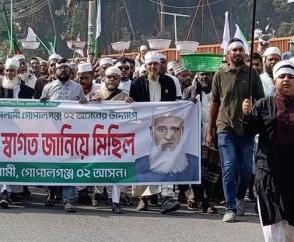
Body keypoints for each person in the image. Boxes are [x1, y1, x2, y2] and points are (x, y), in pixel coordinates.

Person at [242, 60, 294, 242]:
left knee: (290, 222)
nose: (286, 80)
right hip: (267, 167)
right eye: (282, 76)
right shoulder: (263, 105)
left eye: (290, 77)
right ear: (274, 81)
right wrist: (246, 115)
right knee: (271, 214)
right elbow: (248, 132)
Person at [207, 38, 265, 222]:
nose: (238, 53)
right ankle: (230, 207)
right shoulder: (220, 74)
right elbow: (215, 103)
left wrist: (253, 111)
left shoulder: (252, 73)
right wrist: (210, 129)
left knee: (246, 170)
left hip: (246, 128)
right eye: (234, 50)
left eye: (241, 50)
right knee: (229, 167)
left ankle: (239, 197)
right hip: (225, 127)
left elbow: (261, 100)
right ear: (228, 54)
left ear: (245, 53)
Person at [128, 52, 181, 214]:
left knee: (165, 160)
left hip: (164, 128)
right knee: (143, 162)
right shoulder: (137, 83)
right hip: (143, 128)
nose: (153, 67)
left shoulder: (169, 82)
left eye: (155, 64)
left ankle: (166, 197)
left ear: (160, 65)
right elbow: (133, 105)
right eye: (150, 64)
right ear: (145, 66)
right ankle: (143, 199)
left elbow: (175, 104)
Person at [82, 65, 130, 214]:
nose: (112, 80)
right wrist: (89, 102)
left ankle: (115, 200)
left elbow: (131, 115)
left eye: (115, 77)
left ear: (119, 80)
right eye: (109, 77)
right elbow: (84, 112)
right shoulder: (96, 94)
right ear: (104, 78)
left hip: (116, 140)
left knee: (115, 170)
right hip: (98, 138)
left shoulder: (124, 96)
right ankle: (97, 192)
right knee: (97, 166)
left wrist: (130, 104)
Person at [0, 57, 32, 208]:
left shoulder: (28, 90)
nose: (8, 73)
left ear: (18, 71)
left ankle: (16, 192)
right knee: (4, 160)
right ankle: (5, 191)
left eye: (12, 71)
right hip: (3, 131)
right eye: (7, 71)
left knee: (18, 160)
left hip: (21, 132)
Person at [40, 60, 83, 212]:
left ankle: (68, 200)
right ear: (55, 71)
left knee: (69, 166)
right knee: (52, 164)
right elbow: (40, 111)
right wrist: (43, 103)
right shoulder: (48, 87)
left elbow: (83, 108)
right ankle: (52, 193)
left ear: (71, 71)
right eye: (60, 68)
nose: (63, 70)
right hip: (52, 133)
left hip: (71, 133)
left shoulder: (77, 87)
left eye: (66, 68)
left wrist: (84, 102)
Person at [182, 71, 220, 213]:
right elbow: (180, 111)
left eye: (208, 74)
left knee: (212, 171)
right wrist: (188, 103)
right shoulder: (190, 91)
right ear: (197, 76)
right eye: (202, 74)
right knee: (198, 170)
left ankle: (205, 198)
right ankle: (203, 201)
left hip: (215, 135)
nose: (205, 77)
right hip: (195, 137)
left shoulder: (219, 90)